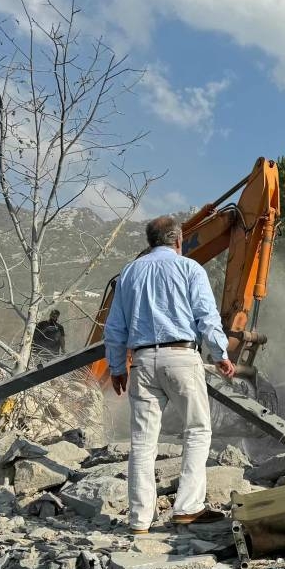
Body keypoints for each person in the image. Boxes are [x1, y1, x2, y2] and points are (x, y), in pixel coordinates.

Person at [103, 216, 236, 535]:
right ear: (178, 240)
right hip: (181, 357)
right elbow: (206, 316)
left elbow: (115, 327)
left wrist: (117, 367)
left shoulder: (129, 272)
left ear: (150, 242)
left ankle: (139, 520)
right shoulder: (190, 269)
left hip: (142, 362)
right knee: (197, 429)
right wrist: (220, 354)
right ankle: (188, 507)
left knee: (142, 440)